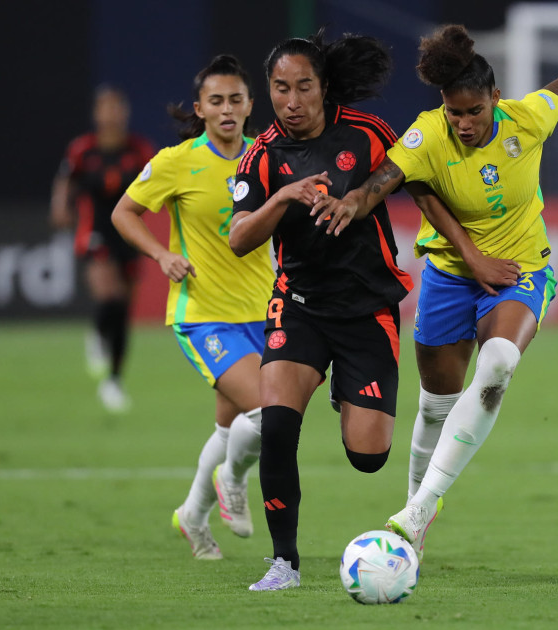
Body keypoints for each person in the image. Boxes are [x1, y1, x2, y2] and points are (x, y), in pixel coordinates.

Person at [312, 24, 558, 560]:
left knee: (500, 361)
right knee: (435, 406)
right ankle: (417, 514)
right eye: (453, 112)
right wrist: (351, 202)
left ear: (496, 99)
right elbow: (380, 182)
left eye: (474, 112)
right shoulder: (426, 134)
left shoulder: (526, 118)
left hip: (520, 270)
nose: (463, 123)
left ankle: (419, 508)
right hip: (449, 276)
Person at [228, 29, 413, 591]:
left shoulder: (366, 133)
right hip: (299, 307)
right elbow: (239, 239)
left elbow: (412, 172)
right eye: (280, 88)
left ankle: (344, 388)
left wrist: (360, 200)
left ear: (324, 86)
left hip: (367, 311)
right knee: (278, 427)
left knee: (368, 457)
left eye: (303, 87)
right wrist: (283, 196)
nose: (291, 101)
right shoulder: (261, 156)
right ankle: (284, 562)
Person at [111, 55, 274, 559]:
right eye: (216, 101)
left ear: (250, 105)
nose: (226, 109)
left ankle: (192, 516)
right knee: (268, 414)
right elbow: (124, 213)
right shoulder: (176, 162)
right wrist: (161, 255)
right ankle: (233, 481)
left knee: (229, 429)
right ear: (200, 109)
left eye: (235, 100)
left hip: (264, 312)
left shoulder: (266, 157)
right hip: (204, 314)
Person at [50, 85, 156, 412]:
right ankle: (97, 334)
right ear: (96, 114)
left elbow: (161, 180)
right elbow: (66, 180)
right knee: (109, 296)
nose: (111, 115)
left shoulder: (139, 150)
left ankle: (114, 380)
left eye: (116, 108)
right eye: (105, 108)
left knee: (123, 312)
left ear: (125, 112)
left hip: (129, 234)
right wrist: (60, 206)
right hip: (94, 231)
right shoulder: (83, 150)